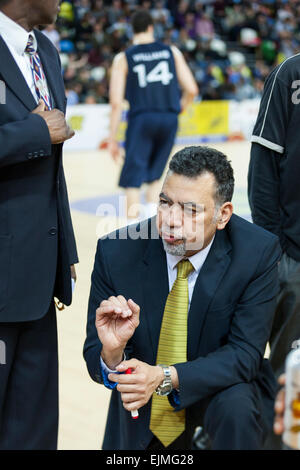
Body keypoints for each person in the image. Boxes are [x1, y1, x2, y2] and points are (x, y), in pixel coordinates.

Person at [84, 145, 281, 450]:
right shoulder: (116, 252)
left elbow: (245, 354)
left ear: (223, 214)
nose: (171, 220)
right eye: (165, 203)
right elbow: (96, 358)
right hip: (146, 413)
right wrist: (113, 354)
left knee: (237, 404)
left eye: (190, 209)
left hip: (221, 402)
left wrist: (166, 376)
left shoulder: (257, 252)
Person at [0, 0, 78, 449]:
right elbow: (43, 134)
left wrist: (63, 247)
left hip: (37, 274)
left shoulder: (45, 50)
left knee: (33, 425)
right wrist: (31, 133)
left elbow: (53, 166)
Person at [107, 9, 198, 220]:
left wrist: (112, 138)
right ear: (151, 28)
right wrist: (179, 108)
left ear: (133, 30)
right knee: (155, 176)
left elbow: (115, 102)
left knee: (132, 178)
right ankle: (153, 227)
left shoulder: (124, 57)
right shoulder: (171, 51)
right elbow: (192, 89)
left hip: (142, 118)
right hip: (169, 118)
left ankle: (133, 236)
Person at [248, 53, 300, 382]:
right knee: (288, 377)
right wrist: (276, 251)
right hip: (294, 258)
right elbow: (263, 170)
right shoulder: (290, 74)